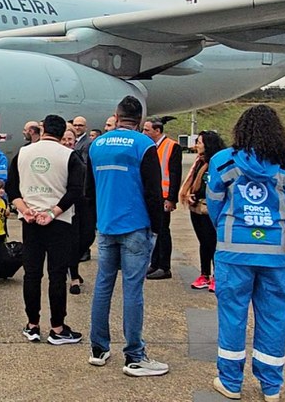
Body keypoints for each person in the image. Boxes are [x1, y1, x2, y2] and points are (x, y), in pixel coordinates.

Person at [207, 104, 285, 401]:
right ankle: (271, 386)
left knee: (232, 316)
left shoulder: (223, 161)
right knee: (274, 318)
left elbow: (215, 205)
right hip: (274, 252)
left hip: (234, 251)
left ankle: (231, 382)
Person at [86, 95, 167, 375]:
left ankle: (98, 348)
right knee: (133, 291)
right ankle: (134, 355)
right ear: (141, 120)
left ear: (116, 116)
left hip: (106, 226)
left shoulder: (97, 144)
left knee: (102, 288)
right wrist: (156, 229)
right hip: (135, 225)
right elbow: (154, 193)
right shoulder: (144, 144)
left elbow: (89, 190)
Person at [7, 114, 85, 346]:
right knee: (57, 275)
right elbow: (75, 190)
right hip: (58, 222)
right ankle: (57, 328)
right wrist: (52, 212)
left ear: (42, 130)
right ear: (62, 134)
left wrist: (26, 209)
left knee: (32, 274)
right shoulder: (70, 156)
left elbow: (12, 188)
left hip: (29, 221)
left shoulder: (23, 153)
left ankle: (32, 325)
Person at [179, 130, 225, 292]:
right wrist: (190, 194)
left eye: (199, 142)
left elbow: (214, 185)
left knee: (212, 242)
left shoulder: (217, 163)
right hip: (196, 208)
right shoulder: (199, 161)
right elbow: (193, 181)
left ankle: (217, 276)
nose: (196, 145)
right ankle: (204, 274)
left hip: (208, 208)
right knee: (203, 243)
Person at [142, 117, 182, 280]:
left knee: (164, 232)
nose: (144, 132)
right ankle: (155, 263)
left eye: (147, 130)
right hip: (154, 196)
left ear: (157, 131)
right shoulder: (151, 146)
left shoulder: (172, 146)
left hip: (164, 197)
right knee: (155, 231)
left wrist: (171, 198)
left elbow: (175, 174)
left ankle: (165, 267)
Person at [60, 127, 87, 295]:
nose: (67, 142)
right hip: (60, 205)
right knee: (66, 242)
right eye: (64, 139)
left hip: (78, 204)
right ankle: (73, 277)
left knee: (81, 239)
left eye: (70, 140)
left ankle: (73, 270)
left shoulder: (78, 157)